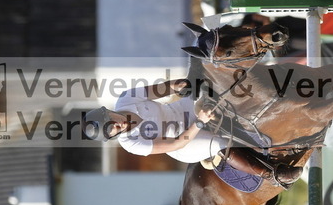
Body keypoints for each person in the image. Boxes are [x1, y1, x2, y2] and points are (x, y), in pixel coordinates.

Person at [82, 79, 302, 185]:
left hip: (180, 109)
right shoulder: (131, 144)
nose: (118, 126)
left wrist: (180, 85)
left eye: (112, 122)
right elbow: (176, 144)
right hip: (184, 140)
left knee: (215, 89)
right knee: (218, 143)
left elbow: (164, 89)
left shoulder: (126, 99)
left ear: (108, 112)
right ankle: (271, 174)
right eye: (112, 132)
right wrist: (199, 122)